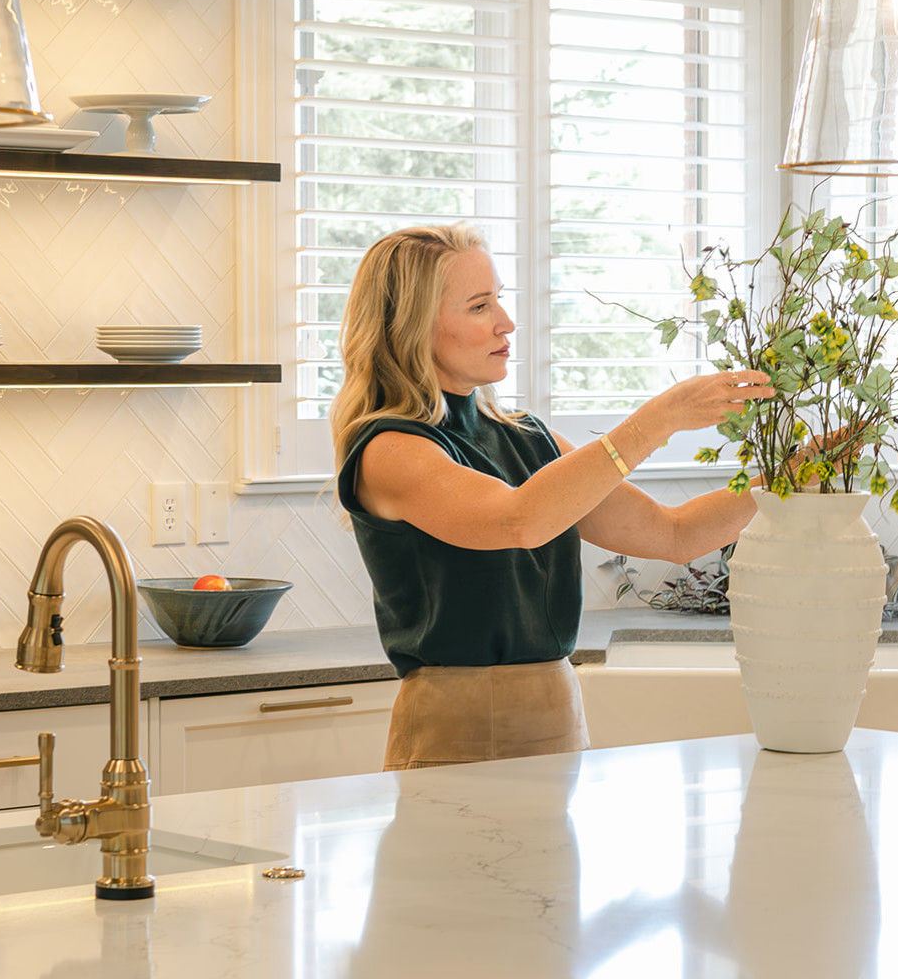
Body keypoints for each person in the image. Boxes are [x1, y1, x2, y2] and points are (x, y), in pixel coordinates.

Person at [332, 221, 776, 771]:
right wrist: (658, 420)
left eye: (499, 299)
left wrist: (796, 479)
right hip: (454, 728)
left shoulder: (528, 438)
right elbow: (516, 521)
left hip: (558, 712)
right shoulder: (391, 449)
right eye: (478, 306)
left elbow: (675, 534)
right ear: (413, 327)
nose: (506, 322)